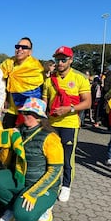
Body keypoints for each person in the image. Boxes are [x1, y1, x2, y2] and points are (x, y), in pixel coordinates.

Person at [0, 97, 63, 221]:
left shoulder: (51, 138)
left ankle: (45, 207)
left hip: (44, 186)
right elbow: (6, 162)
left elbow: (55, 171)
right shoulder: (19, 130)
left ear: (40, 116)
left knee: (23, 215)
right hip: (22, 178)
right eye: (25, 112)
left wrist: (33, 193)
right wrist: (7, 145)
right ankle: (13, 207)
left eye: (31, 113)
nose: (26, 115)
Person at [42, 46, 91, 202]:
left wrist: (69, 109)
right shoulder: (49, 80)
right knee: (48, 155)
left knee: (67, 157)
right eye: (58, 59)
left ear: (71, 60)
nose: (60, 63)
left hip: (70, 124)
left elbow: (88, 103)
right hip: (51, 124)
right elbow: (44, 104)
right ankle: (50, 183)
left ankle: (66, 185)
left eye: (64, 59)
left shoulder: (79, 78)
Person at [0, 37, 44, 128]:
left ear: (30, 52)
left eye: (24, 47)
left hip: (29, 112)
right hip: (11, 112)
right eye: (17, 46)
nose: (19, 49)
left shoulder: (35, 67)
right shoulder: (8, 64)